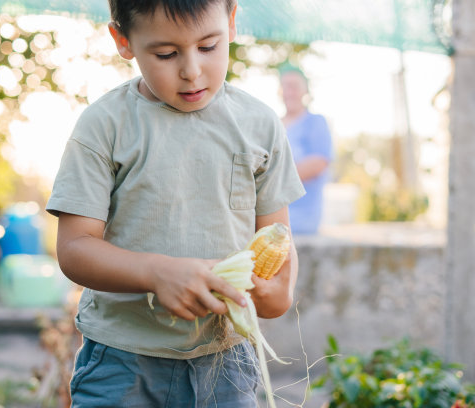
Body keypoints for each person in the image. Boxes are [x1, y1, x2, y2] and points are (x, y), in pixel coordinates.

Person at [45, 0, 306, 406]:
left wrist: (271, 294)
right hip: (122, 362)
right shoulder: (104, 126)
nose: (191, 70)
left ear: (232, 22)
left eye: (208, 47)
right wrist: (156, 273)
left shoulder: (260, 126)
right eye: (166, 54)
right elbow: (75, 249)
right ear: (123, 40)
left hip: (227, 360)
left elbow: (279, 251)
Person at [280, 66, 333, 235]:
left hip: (301, 223)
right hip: (269, 221)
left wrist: (270, 179)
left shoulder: (316, 123)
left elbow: (317, 164)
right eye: (285, 86)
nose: (290, 92)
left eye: (294, 86)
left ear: (305, 91)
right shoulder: (273, 124)